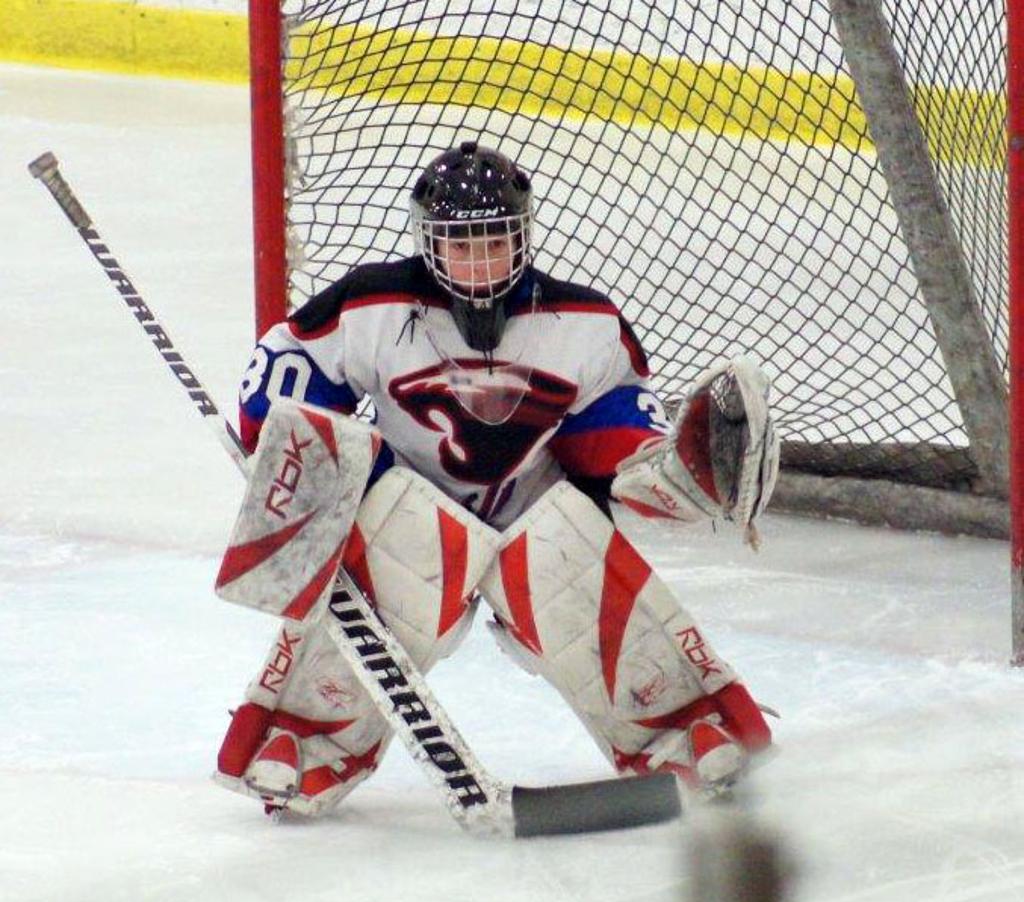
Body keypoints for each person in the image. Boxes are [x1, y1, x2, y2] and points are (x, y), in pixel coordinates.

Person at [214, 141, 780, 816]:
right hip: (412, 528)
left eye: (493, 242)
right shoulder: (370, 306)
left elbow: (608, 434)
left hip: (530, 531)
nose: (478, 263)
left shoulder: (585, 324)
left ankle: (682, 728)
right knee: (405, 533)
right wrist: (281, 435)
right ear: (428, 243)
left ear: (524, 236)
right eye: (460, 245)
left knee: (566, 535)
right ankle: (305, 737)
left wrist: (664, 469)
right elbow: (290, 365)